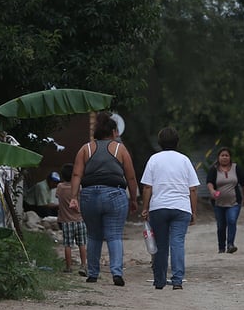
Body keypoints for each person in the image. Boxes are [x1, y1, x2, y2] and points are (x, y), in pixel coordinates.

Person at [68, 112, 138, 286]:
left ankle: (93, 273)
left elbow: (77, 174)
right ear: (114, 132)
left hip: (89, 195)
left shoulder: (86, 148)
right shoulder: (119, 149)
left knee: (94, 236)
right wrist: (134, 198)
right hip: (114, 194)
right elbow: (130, 177)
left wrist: (74, 197)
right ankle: (116, 273)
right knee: (114, 236)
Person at [140, 127, 200, 290]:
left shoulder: (154, 159)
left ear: (159, 142)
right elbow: (193, 189)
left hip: (159, 207)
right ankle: (177, 280)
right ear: (177, 142)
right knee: (177, 243)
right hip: (181, 208)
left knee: (160, 244)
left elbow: (147, 187)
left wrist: (145, 207)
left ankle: (159, 281)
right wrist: (193, 212)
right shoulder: (185, 160)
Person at [205, 147, 244, 253]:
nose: (224, 157)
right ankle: (221, 248)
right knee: (221, 226)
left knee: (232, 220)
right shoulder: (213, 169)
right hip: (218, 203)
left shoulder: (236, 168)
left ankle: (230, 244)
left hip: (234, 202)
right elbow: (209, 183)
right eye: (222, 155)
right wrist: (212, 191)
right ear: (218, 157)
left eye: (226, 155)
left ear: (230, 157)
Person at [55, 163, 87, 276]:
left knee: (68, 245)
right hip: (80, 220)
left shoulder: (60, 187)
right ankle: (83, 265)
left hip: (66, 221)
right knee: (82, 244)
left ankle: (68, 267)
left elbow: (57, 197)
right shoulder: (79, 188)